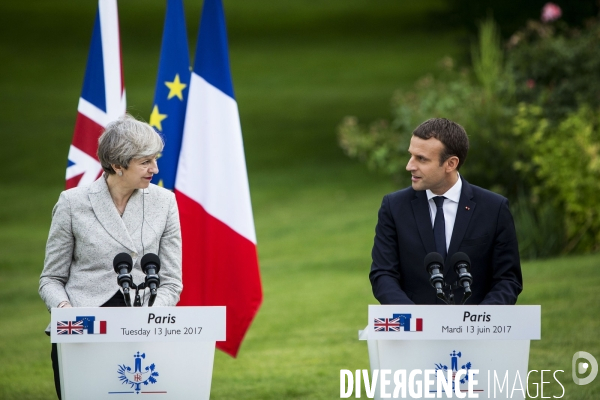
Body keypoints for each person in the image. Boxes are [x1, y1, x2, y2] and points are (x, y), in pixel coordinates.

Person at [39, 114, 183, 398]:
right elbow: (51, 279)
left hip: (141, 333)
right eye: (145, 162)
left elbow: (171, 282)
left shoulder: (165, 202)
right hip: (82, 332)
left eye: (155, 159)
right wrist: (66, 311)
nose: (154, 168)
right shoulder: (72, 203)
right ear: (117, 165)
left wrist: (150, 317)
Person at [369, 118, 522, 305]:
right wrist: (416, 321)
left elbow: (507, 280)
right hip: (414, 329)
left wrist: (477, 322)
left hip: (476, 329)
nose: (409, 166)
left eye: (421, 159)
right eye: (411, 156)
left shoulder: (494, 208)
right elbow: (383, 274)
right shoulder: (394, 206)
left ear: (450, 164)